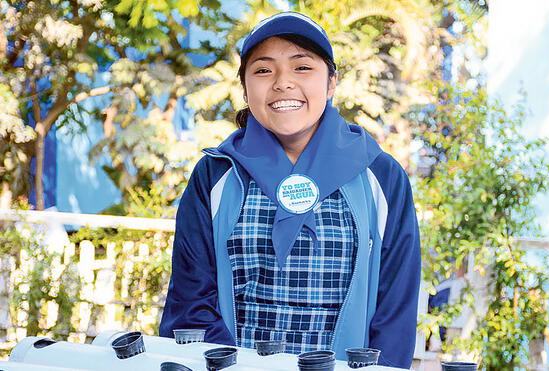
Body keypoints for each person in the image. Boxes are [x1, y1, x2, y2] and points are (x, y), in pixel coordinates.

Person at [159, 12, 421, 369]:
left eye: (302, 67)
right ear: (246, 88)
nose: (283, 83)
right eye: (264, 70)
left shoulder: (380, 174)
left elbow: (396, 306)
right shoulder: (215, 174)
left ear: (331, 83)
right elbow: (191, 300)